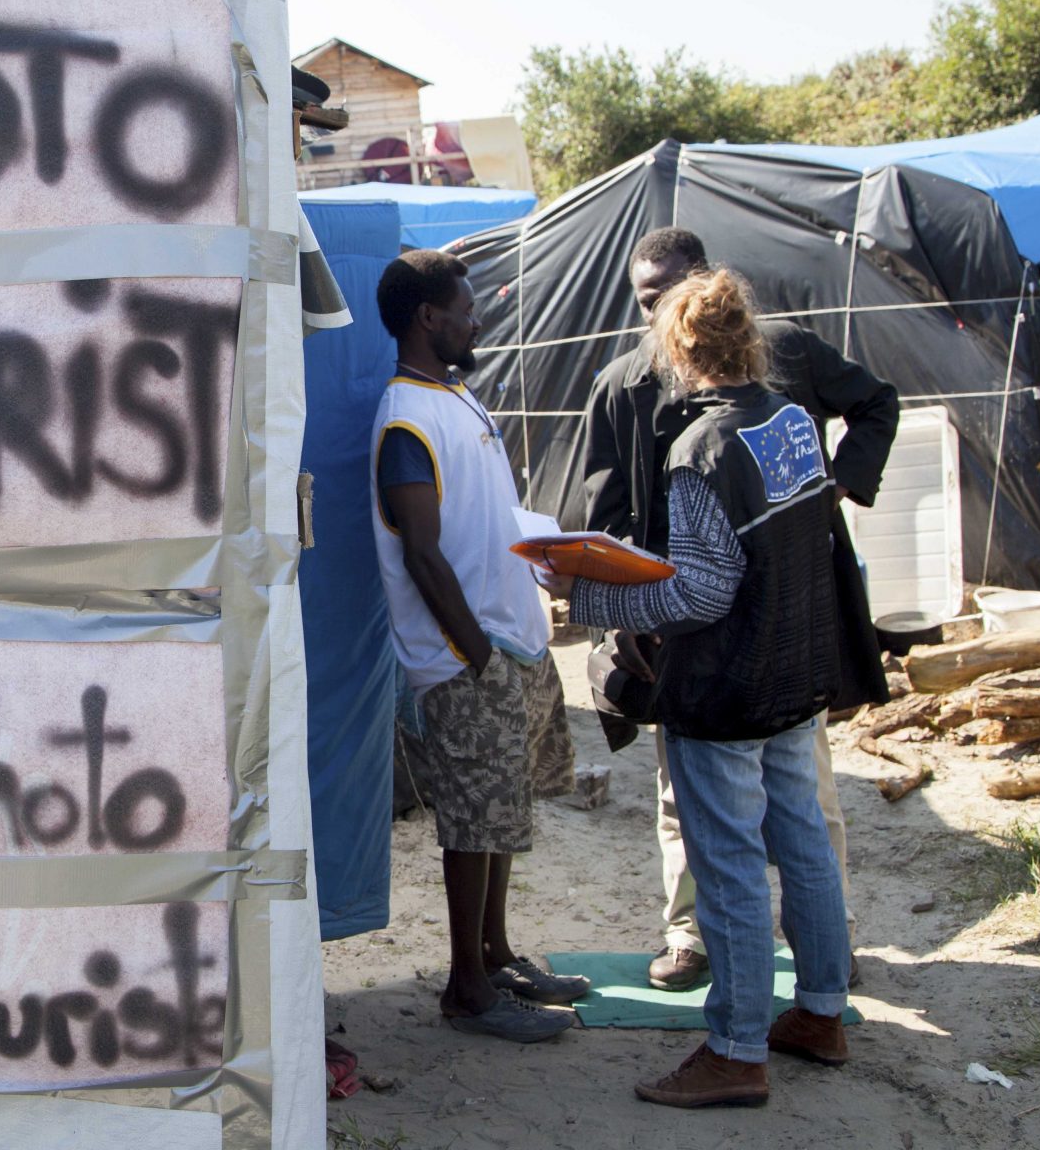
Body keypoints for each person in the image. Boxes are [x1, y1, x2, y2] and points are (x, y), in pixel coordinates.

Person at [550, 268, 853, 1107]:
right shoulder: (790, 421)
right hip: (797, 670)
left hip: (727, 690)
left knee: (727, 871)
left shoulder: (700, 449)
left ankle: (736, 1049)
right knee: (803, 846)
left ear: (678, 351)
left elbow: (700, 592)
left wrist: (594, 596)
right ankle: (822, 1011)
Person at [581, 227, 897, 992]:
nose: (659, 317)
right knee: (694, 809)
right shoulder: (625, 386)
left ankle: (748, 1030)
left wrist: (586, 593)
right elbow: (608, 510)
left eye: (671, 302)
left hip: (754, 627)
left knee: (779, 820)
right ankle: (717, 947)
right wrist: (630, 609)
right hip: (705, 637)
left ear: (708, 296)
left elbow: (703, 584)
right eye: (645, 304)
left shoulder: (720, 429)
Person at [369, 249, 585, 1043]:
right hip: (468, 657)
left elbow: (483, 523)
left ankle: (495, 956)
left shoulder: (455, 398)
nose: (476, 320)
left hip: (509, 639)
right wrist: (475, 652)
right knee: (470, 820)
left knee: (502, 812)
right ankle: (467, 987)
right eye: (465, 308)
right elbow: (422, 551)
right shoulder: (405, 419)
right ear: (428, 318)